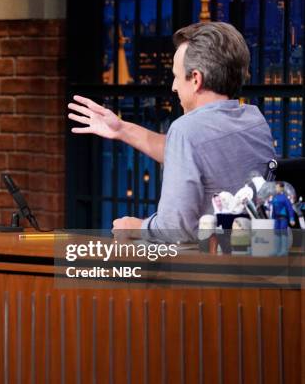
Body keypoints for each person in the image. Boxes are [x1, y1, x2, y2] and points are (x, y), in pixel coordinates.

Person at [67, 22, 275, 242]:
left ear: (196, 79)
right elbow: (192, 154)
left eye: (176, 76)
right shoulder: (254, 120)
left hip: (204, 267)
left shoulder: (185, 131)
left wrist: (134, 226)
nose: (173, 86)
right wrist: (121, 128)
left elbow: (174, 228)